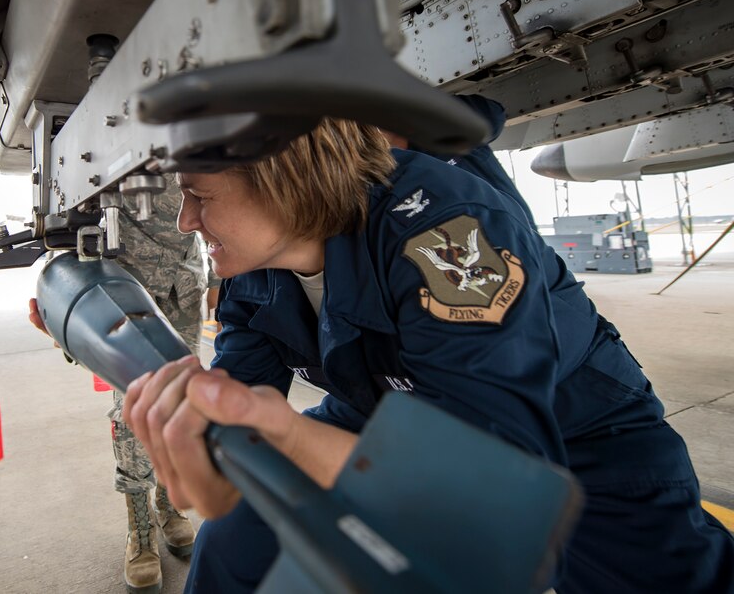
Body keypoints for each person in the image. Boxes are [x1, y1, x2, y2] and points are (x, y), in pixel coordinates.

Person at [122, 115, 734, 593]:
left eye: (200, 196)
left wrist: (285, 436)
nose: (185, 221)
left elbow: (493, 485)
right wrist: (110, 328)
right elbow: (237, 405)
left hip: (578, 434)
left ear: (286, 179)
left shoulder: (446, 230)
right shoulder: (257, 271)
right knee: (237, 540)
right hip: (384, 411)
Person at [109, 177, 206, 593]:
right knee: (134, 408)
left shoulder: (189, 130)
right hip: (129, 290)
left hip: (183, 287)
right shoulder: (104, 132)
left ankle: (169, 506)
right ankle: (140, 528)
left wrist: (216, 279)